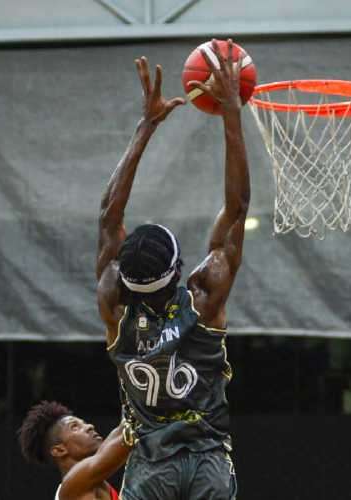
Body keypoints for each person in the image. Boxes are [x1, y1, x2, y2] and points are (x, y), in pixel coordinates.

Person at [95, 39, 249, 499]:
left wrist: (146, 125)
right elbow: (237, 209)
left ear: (123, 273)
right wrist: (232, 113)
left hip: (151, 464)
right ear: (180, 268)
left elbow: (108, 216)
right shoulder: (204, 297)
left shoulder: (113, 306)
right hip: (207, 463)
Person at [18, 400, 137, 500]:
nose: (89, 426)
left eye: (84, 423)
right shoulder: (72, 485)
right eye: (75, 427)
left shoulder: (97, 482)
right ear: (59, 450)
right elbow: (125, 438)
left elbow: (123, 428)